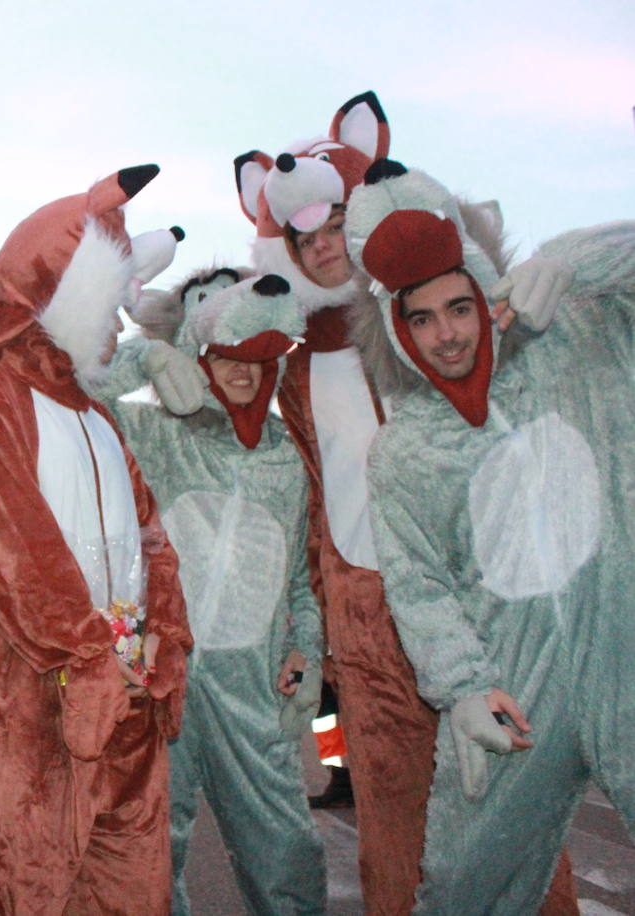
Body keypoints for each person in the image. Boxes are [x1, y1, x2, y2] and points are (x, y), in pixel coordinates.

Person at [229, 90, 578, 916]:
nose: (320, 250)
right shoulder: (290, 349)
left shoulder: (439, 312)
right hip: (367, 608)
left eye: (332, 227)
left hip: (470, 596)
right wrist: (315, 619)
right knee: (393, 820)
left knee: (515, 810)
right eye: (302, 239)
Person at [345, 160, 635, 915]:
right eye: (422, 318)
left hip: (627, 647)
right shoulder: (406, 447)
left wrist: (570, 262)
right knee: (466, 887)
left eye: (458, 307)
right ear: (396, 329)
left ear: (485, 294)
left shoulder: (577, 341)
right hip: (518, 684)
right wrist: (463, 685)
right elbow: (417, 583)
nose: (447, 335)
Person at [0, 165, 192, 915]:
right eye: (109, 309)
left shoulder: (99, 416)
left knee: (133, 889)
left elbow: (151, 534)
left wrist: (169, 630)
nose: (118, 330)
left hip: (128, 692)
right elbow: (18, 549)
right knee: (41, 888)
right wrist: (87, 654)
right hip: (38, 696)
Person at [102, 269, 327, 915]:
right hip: (158, 682)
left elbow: (297, 586)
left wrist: (305, 650)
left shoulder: (287, 461)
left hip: (249, 690)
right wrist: (143, 355)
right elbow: (72, 396)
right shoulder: (153, 431)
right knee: (148, 859)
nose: (243, 372)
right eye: (227, 356)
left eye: (258, 360)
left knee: (286, 852)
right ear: (200, 353)